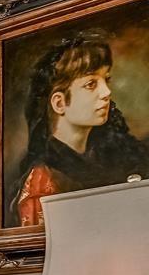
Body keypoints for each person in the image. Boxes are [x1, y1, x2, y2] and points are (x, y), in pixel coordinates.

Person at [8, 31, 148, 225]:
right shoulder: (43, 180)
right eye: (91, 84)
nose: (106, 92)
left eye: (106, 80)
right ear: (59, 103)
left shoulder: (113, 154)